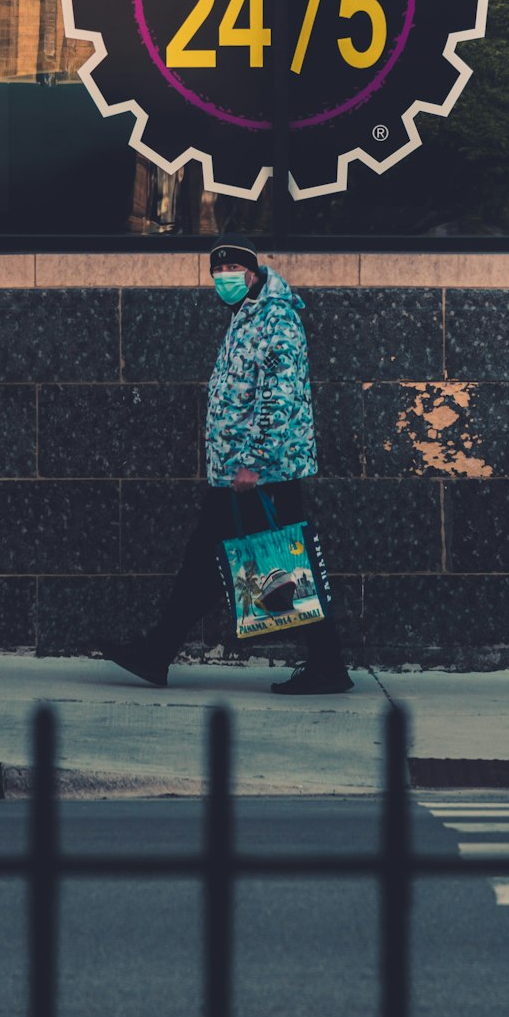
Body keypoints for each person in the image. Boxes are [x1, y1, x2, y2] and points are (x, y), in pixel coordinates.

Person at [99, 232, 352, 695]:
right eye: (216, 274)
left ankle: (328, 665)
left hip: (259, 474)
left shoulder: (276, 318)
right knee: (213, 561)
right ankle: (158, 652)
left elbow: (280, 395)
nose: (222, 281)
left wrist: (253, 463)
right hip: (236, 472)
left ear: (253, 274)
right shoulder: (247, 315)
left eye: (231, 273)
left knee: (282, 565)